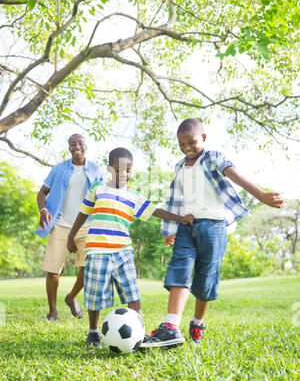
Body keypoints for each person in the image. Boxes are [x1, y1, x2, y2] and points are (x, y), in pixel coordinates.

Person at [141, 118, 284, 348]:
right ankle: (170, 326)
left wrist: (260, 195)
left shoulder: (214, 157)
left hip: (214, 227)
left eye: (192, 142)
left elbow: (235, 175)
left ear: (203, 139)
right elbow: (173, 200)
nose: (187, 148)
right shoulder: (179, 167)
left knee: (206, 278)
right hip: (187, 226)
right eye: (181, 145)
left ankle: (197, 323)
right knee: (180, 268)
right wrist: (169, 230)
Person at [67, 147, 194, 348]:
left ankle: (139, 334)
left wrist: (180, 219)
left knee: (132, 294)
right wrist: (71, 235)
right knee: (95, 296)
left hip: (123, 252)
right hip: (97, 251)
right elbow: (83, 213)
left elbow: (156, 211)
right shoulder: (98, 189)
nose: (125, 174)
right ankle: (93, 332)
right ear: (109, 169)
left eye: (129, 170)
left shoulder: (134, 196)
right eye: (119, 170)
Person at [35, 134, 104, 321]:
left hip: (87, 226)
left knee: (87, 267)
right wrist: (43, 210)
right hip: (60, 224)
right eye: (73, 144)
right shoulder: (58, 169)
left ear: (86, 146)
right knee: (52, 270)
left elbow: (105, 196)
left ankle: (71, 297)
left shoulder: (97, 170)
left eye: (80, 143)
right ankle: (53, 311)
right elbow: (42, 192)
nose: (77, 147)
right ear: (69, 148)